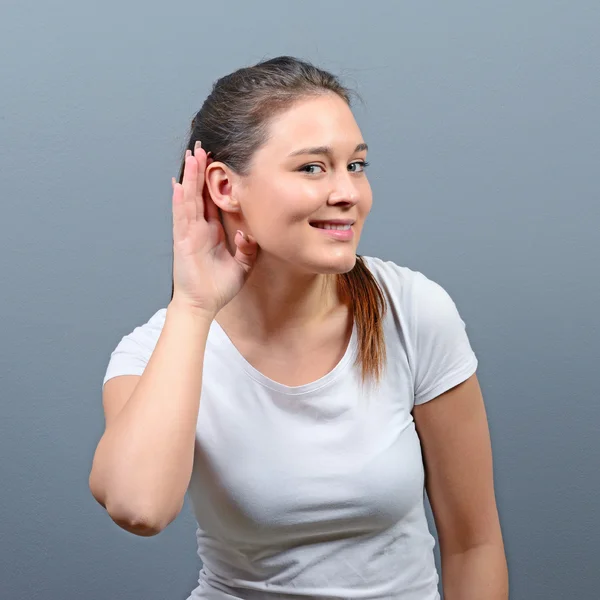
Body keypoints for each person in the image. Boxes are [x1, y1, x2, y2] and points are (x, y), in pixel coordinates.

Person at [89, 56, 508, 600]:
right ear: (223, 186)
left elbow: (473, 543)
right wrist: (193, 307)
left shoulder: (411, 311)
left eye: (356, 165)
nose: (348, 194)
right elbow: (139, 508)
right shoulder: (154, 353)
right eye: (313, 168)